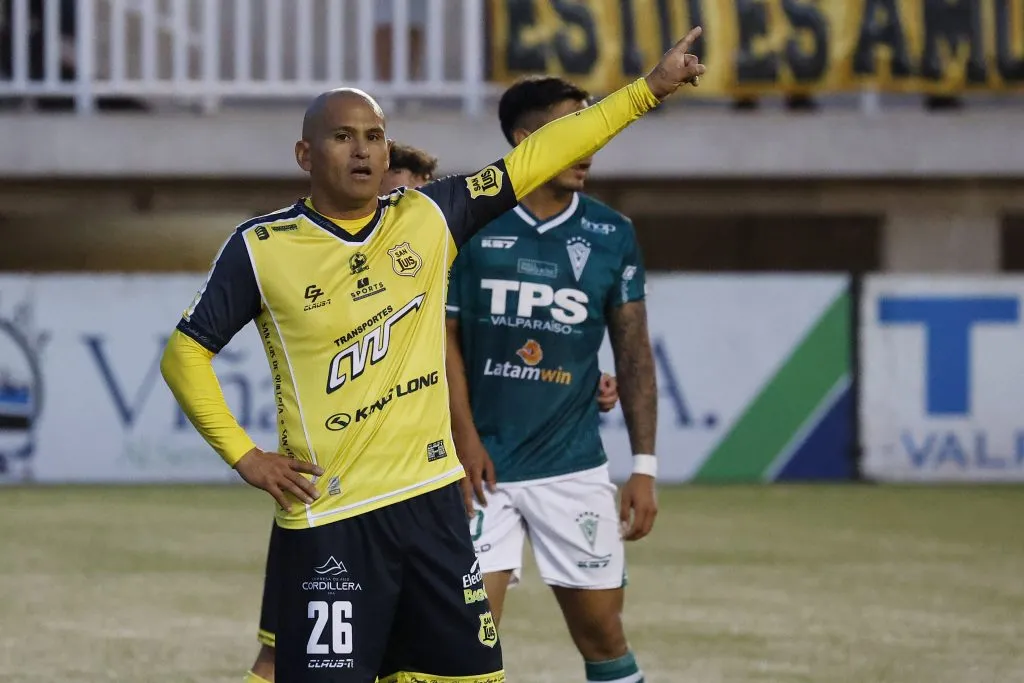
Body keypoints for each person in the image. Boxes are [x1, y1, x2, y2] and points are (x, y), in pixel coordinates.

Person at [160, 27, 706, 683]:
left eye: (374, 135)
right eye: (343, 136)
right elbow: (184, 355)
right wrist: (245, 455)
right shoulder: (262, 246)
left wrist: (647, 91)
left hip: (434, 509)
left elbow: (541, 153)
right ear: (305, 152)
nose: (363, 149)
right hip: (333, 518)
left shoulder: (427, 216)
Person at [446, 74, 659, 683]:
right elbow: (444, 341)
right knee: (466, 638)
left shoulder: (611, 233)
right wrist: (464, 438)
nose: (590, 147)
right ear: (525, 139)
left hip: (574, 471)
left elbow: (635, 354)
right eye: (574, 131)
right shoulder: (471, 224)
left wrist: (643, 467)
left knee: (603, 636)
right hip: (481, 472)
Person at [242, 142, 437, 683]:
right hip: (328, 509)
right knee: (282, 657)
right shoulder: (296, 254)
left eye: (414, 197)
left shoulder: (436, 262)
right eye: (395, 193)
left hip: (421, 495)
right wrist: (248, 455)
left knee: (417, 659)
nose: (401, 208)